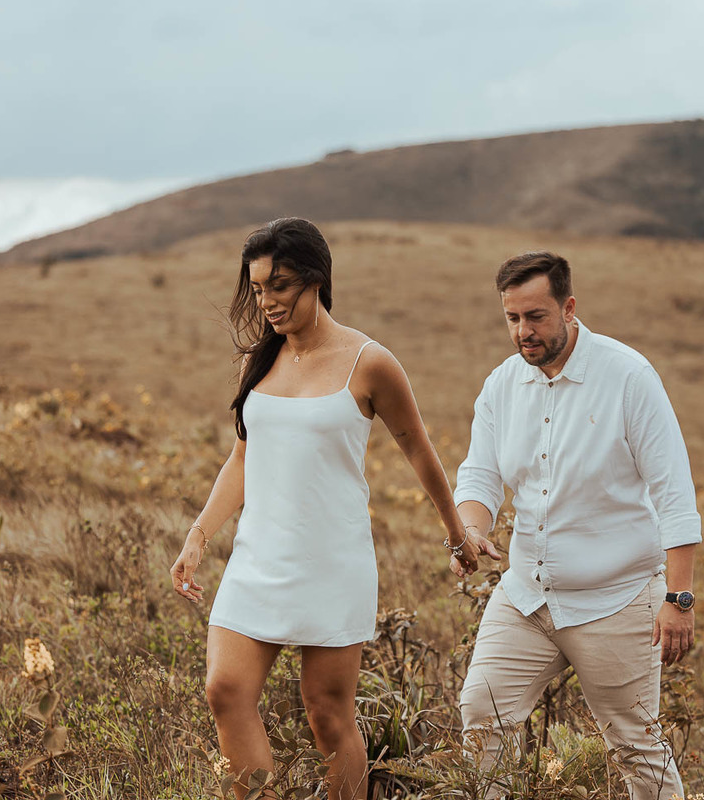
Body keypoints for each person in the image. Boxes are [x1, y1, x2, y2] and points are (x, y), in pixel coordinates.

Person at [169, 217, 480, 800]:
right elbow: (242, 459)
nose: (267, 302)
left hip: (332, 563)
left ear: (316, 279)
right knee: (225, 692)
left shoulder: (370, 362)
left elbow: (418, 448)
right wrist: (199, 536)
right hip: (258, 558)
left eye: (280, 286)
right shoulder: (258, 363)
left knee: (328, 716)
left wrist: (457, 534)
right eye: (258, 289)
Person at [451, 251, 701, 800]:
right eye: (512, 318)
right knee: (480, 717)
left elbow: (674, 492)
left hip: (617, 599)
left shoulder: (629, 377)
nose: (524, 331)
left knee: (635, 746)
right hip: (526, 597)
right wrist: (470, 527)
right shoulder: (500, 385)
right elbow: (480, 475)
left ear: (568, 308)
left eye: (536, 316)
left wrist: (678, 597)